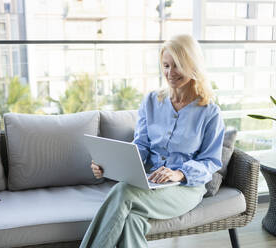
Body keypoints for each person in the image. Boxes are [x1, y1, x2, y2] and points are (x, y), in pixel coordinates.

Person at [79, 34, 225, 248]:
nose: (170, 73)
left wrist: (180, 173)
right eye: (166, 65)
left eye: (177, 66)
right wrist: (109, 164)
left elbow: (210, 162)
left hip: (186, 188)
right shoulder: (151, 101)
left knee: (123, 191)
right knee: (131, 221)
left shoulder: (210, 112)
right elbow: (142, 146)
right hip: (151, 182)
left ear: (191, 65)